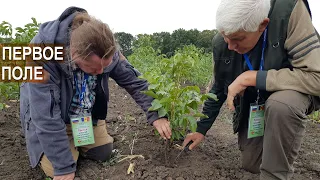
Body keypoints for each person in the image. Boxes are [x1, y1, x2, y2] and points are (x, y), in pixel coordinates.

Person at [19, 6, 172, 180]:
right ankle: (53, 147)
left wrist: (156, 114)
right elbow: (45, 114)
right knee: (58, 169)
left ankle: (77, 143)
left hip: (83, 116)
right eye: (93, 68)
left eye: (104, 67)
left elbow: (134, 82)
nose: (100, 72)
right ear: (74, 55)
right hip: (54, 119)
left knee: (103, 153)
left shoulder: (105, 48)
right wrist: (64, 168)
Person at [183, 0, 320, 179]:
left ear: (262, 25)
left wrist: (255, 77)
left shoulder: (289, 11)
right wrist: (201, 129)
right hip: (257, 102)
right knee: (253, 164)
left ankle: (275, 174)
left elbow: (316, 77)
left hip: (289, 95)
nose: (230, 46)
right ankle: (274, 148)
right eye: (225, 37)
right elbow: (218, 88)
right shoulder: (223, 42)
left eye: (238, 39)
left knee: (281, 105)